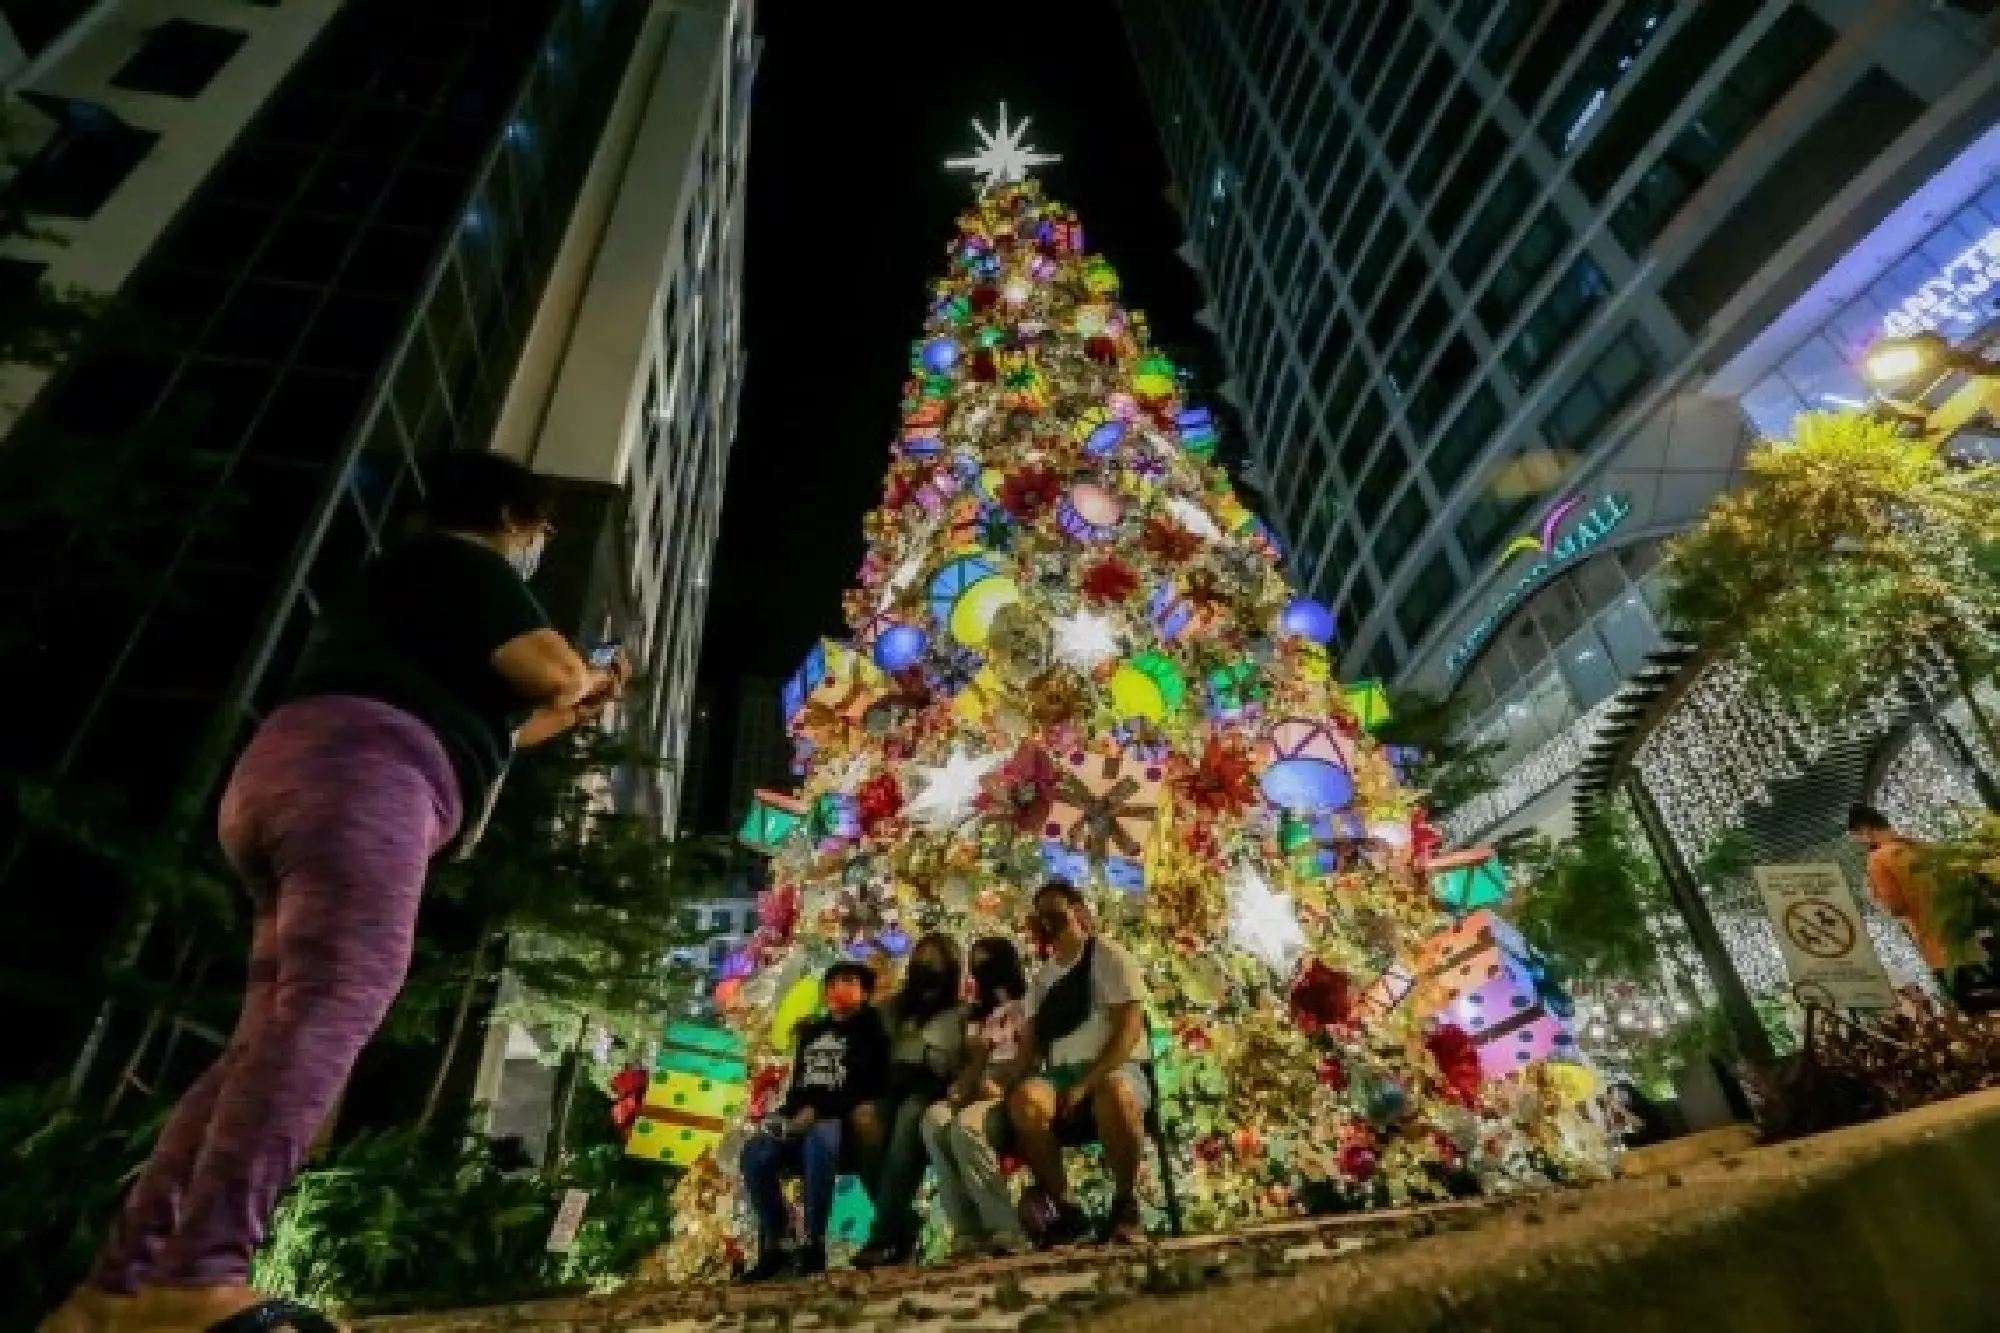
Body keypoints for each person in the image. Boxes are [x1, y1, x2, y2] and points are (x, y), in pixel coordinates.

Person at [46, 451, 626, 1333]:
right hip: (366, 777)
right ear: (512, 516)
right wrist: (582, 678)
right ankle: (198, 1275)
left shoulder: (408, 593)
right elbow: (549, 671)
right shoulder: (465, 562)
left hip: (298, 772)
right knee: (335, 1002)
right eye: (540, 530)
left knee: (266, 1038)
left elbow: (508, 724)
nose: (539, 546)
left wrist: (567, 709)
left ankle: (116, 1291)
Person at [1006, 880, 1153, 1247]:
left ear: (1078, 910)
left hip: (1115, 1068)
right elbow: (1031, 1042)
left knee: (1114, 1092)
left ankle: (1124, 1204)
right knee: (1025, 1101)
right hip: (1059, 1074)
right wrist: (1008, 1087)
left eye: (1054, 910)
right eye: (1040, 914)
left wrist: (1087, 1082)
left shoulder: (1108, 956)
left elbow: (1129, 1028)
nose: (1048, 920)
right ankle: (1068, 1211)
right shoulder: (1042, 979)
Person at [739, 961, 889, 1283]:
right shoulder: (812, 1032)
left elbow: (865, 1084)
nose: (839, 988)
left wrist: (816, 1112)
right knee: (754, 1153)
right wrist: (784, 1116)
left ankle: (812, 1242)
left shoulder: (871, 1030)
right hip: (800, 1118)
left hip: (841, 1123)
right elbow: (800, 1087)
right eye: (833, 982)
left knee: (821, 1138)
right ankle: (779, 1242)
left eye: (848, 981)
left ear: (864, 993)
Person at [851, 933, 968, 1269]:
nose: (925, 967)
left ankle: (884, 1234)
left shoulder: (959, 1011)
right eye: (920, 959)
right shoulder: (898, 1008)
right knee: (864, 1119)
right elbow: (871, 1025)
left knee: (908, 1120)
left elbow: (956, 1060)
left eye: (934, 960)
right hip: (892, 1085)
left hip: (933, 1088)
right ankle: (901, 1222)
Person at [921, 936, 1034, 1259]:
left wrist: (1007, 1081)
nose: (982, 971)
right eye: (975, 964)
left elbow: (1031, 1052)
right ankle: (967, 1232)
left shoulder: (1027, 1005)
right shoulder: (977, 1018)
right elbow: (976, 1060)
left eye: (988, 962)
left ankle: (1006, 1228)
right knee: (935, 1120)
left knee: (967, 1126)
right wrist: (963, 1087)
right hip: (981, 1088)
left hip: (1013, 1090)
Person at [1848, 804, 1993, 1006]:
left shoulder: (1878, 859)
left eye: (1858, 838)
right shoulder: (1922, 848)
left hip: (1942, 952)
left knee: (1980, 1016)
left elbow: (1895, 905)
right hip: (1972, 943)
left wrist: (1877, 900)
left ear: (1865, 830)